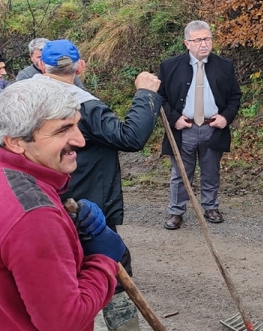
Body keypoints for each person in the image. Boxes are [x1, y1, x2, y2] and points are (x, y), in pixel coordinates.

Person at [0, 78, 126, 331]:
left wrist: (68, 232)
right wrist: (102, 260)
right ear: (15, 141)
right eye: (62, 130)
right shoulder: (34, 215)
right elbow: (65, 322)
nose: (80, 140)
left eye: (76, 125)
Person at [35, 39, 162, 331]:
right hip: (83, 203)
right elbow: (129, 137)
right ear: (81, 66)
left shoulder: (27, 97)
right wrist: (145, 94)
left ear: (42, 65)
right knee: (110, 263)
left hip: (45, 198)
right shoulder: (79, 104)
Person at [158, 20, 242, 230]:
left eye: (207, 38)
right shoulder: (170, 66)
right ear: (187, 43)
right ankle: (176, 211)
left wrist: (226, 117)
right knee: (181, 173)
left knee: (211, 170)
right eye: (198, 40)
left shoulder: (224, 66)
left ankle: (210, 207)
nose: (204, 44)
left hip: (212, 128)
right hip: (182, 128)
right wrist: (174, 118)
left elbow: (235, 96)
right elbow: (160, 98)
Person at [15, 37, 85, 88]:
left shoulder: (66, 70)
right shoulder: (25, 76)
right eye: (39, 57)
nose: (43, 61)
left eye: (45, 58)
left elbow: (82, 91)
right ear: (31, 57)